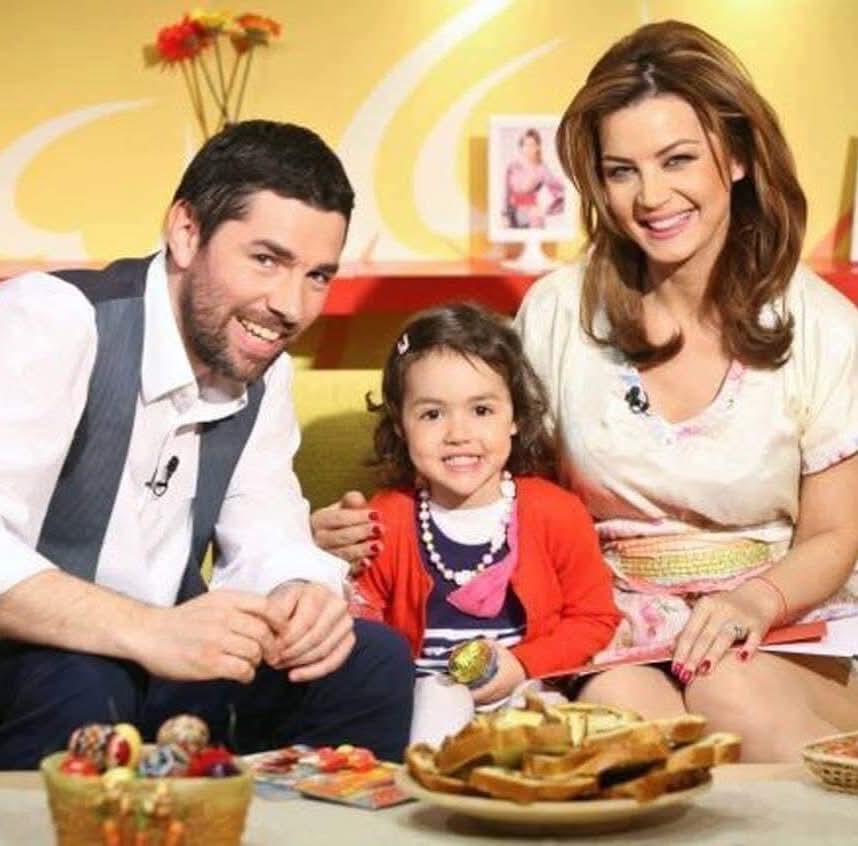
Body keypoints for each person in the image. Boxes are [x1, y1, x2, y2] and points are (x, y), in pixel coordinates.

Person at [0, 120, 413, 769]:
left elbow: (268, 533)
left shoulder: (264, 371)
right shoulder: (56, 319)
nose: (291, 306)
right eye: (267, 260)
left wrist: (302, 592)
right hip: (40, 660)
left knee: (371, 662)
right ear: (186, 232)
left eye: (317, 275)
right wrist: (149, 630)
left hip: (167, 661)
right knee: (83, 684)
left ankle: (294, 822)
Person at [513, 20, 858, 761]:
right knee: (623, 717)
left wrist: (752, 601)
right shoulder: (556, 312)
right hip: (615, 626)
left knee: (726, 686)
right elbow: (516, 493)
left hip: (780, 619)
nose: (651, 197)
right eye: (622, 171)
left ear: (736, 155)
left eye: (677, 160)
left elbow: (835, 534)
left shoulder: (826, 326)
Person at [349, 304, 619, 742]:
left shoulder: (557, 512)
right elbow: (364, 621)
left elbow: (593, 617)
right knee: (439, 701)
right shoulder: (387, 518)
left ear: (516, 417)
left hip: (528, 684)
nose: (458, 434)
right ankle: (432, 778)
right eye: (432, 414)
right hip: (425, 698)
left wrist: (524, 665)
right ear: (400, 425)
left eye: (481, 410)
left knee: (552, 724)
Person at [503, 128, 565, 229]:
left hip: (532, 220)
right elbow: (506, 193)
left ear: (537, 147)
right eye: (526, 144)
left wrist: (545, 210)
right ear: (521, 147)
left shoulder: (541, 169)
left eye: (532, 145)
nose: (528, 148)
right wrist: (504, 215)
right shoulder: (512, 167)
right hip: (512, 218)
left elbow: (563, 193)